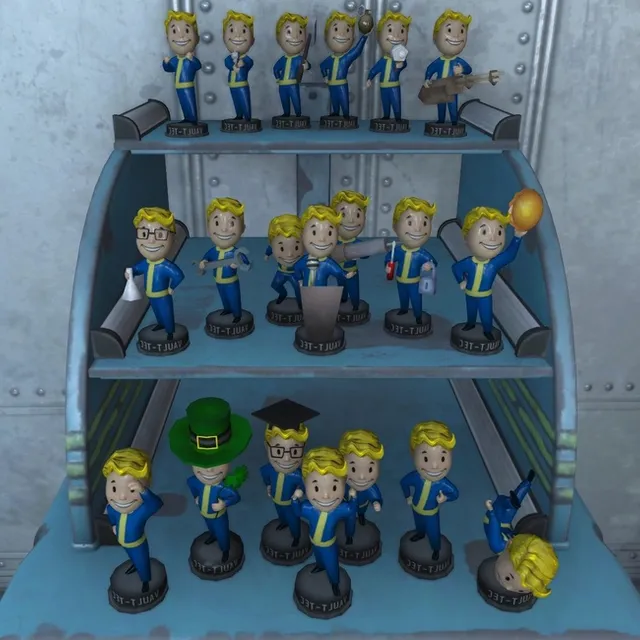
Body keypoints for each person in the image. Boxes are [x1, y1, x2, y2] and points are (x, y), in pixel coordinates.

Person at [168, 397, 252, 563]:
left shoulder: (222, 488)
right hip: (205, 513)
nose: (209, 470)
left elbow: (235, 497)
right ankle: (212, 536)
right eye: (200, 465)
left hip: (219, 515)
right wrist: (196, 497)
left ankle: (225, 550)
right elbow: (191, 485)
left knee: (222, 532)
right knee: (210, 527)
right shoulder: (195, 482)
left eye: (217, 464)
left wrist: (224, 504)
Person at [452, 206, 527, 340]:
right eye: (484, 232)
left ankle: (487, 331)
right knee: (471, 311)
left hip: (485, 296)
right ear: (467, 238)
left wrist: (517, 238)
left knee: (486, 314)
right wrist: (461, 280)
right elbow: (456, 268)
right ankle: (470, 324)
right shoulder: (468, 263)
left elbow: (509, 255)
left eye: (499, 232)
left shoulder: (494, 264)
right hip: (469, 293)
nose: (492, 239)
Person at [292, 447, 357, 596]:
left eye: (334, 487)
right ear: (305, 484)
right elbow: (297, 512)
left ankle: (334, 583)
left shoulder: (338, 509)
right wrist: (295, 499)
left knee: (332, 563)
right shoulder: (308, 508)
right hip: (314, 541)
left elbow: (350, 510)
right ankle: (320, 566)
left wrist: (353, 498)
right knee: (319, 557)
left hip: (328, 545)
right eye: (316, 488)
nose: (326, 496)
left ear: (344, 483)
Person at [103, 448, 163, 593]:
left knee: (142, 561)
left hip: (137, 544)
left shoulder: (141, 511)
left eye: (131, 490)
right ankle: (135, 565)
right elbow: (111, 515)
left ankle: (145, 581)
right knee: (131, 557)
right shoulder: (112, 509)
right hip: (123, 542)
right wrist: (113, 525)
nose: (122, 497)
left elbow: (156, 504)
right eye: (114, 488)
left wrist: (143, 491)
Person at [400, 421, 459, 560]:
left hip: (431, 513)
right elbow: (404, 483)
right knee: (419, 525)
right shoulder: (415, 477)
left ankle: (436, 549)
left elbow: (455, 493)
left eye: (442, 458)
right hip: (416, 508)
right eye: (426, 458)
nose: (434, 465)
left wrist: (445, 498)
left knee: (433, 532)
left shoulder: (442, 483)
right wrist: (408, 496)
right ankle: (420, 534)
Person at [127, 207, 184, 340]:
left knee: (166, 312)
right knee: (157, 311)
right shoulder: (145, 263)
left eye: (159, 235)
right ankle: (161, 324)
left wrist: (171, 287)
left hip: (163, 295)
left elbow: (178, 275)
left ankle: (170, 331)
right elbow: (136, 270)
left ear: (172, 239)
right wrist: (130, 272)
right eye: (144, 234)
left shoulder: (165, 266)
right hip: (150, 295)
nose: (151, 241)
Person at [385, 197, 438, 323]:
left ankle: (418, 315)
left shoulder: (422, 254)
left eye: (424, 224)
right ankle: (403, 309)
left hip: (414, 282)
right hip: (400, 280)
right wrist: (387, 266)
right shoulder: (398, 250)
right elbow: (389, 258)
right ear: (395, 227)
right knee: (402, 296)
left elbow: (433, 262)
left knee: (416, 298)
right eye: (410, 223)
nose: (418, 230)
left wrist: (429, 265)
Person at [200, 197, 250, 322]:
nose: (223, 229)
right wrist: (203, 262)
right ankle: (227, 309)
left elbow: (247, 264)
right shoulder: (213, 251)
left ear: (242, 229)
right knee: (223, 296)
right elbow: (206, 257)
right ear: (208, 227)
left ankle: (237, 315)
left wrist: (239, 265)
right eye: (217, 223)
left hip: (231, 282)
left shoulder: (236, 253)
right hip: (218, 281)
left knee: (234, 298)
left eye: (231, 223)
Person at [423, 10, 473, 125]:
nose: (456, 36)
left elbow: (468, 69)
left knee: (452, 105)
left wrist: (462, 70)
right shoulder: (438, 62)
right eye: (449, 30)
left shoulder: (458, 61)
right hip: (440, 86)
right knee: (441, 105)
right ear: (435, 37)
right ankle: (440, 121)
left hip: (452, 87)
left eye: (461, 31)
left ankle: (454, 122)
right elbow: (430, 70)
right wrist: (427, 79)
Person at [338, 430, 384, 544]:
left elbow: (376, 497)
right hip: (348, 505)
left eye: (370, 469)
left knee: (361, 511)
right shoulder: (342, 483)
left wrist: (376, 503)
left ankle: (361, 515)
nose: (362, 477)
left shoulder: (370, 488)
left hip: (363, 505)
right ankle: (349, 536)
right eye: (353, 469)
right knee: (349, 520)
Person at [320, 11, 368, 118]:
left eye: (347, 30)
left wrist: (364, 37)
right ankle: (336, 112)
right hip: (332, 84)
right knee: (334, 100)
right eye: (336, 29)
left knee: (343, 99)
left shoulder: (346, 58)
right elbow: (322, 66)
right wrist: (325, 76)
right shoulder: (329, 59)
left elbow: (357, 51)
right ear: (326, 37)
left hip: (341, 84)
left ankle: (346, 114)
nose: (341, 35)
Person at [294, 205, 356, 287]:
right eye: (314, 233)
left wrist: (345, 274)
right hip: (306, 292)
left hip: (321, 293)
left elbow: (337, 271)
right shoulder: (304, 261)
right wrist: (299, 279)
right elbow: (296, 268)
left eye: (329, 233)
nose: (322, 239)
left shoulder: (327, 263)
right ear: (302, 235)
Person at [366, 11, 412, 121]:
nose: (396, 36)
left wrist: (400, 64)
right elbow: (374, 70)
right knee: (385, 102)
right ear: (379, 37)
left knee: (396, 101)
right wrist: (369, 78)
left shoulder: (398, 60)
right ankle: (386, 116)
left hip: (394, 86)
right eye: (390, 30)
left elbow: (403, 64)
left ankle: (397, 118)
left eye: (402, 31)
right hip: (383, 86)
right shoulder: (382, 61)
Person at [331, 190, 370, 310]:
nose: (351, 221)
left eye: (357, 215)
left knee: (353, 289)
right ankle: (342, 300)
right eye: (343, 215)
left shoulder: (357, 243)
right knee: (341, 288)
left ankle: (355, 306)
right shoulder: (333, 241)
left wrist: (360, 253)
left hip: (352, 271)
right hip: (339, 271)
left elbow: (366, 254)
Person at [163, 11, 202, 124]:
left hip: (187, 85)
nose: (181, 36)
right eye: (174, 31)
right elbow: (169, 68)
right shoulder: (175, 60)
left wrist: (191, 59)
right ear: (168, 39)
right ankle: (187, 118)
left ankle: (193, 119)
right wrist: (166, 63)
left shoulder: (190, 59)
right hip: (178, 86)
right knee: (183, 103)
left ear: (197, 38)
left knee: (189, 101)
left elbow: (198, 66)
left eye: (187, 31)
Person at [494, 533, 559, 599]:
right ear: (509, 544)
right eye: (507, 578)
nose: (508, 588)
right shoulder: (496, 543)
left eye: (521, 591)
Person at [273, 13, 311, 118]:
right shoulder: (282, 60)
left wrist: (306, 66)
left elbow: (308, 65)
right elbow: (275, 68)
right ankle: (286, 113)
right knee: (284, 99)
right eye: (289, 32)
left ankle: (298, 114)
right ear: (278, 39)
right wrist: (278, 78)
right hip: (282, 85)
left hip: (293, 84)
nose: (295, 37)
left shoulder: (299, 59)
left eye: (300, 32)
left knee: (295, 99)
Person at [222, 10, 256, 121]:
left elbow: (250, 64)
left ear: (252, 40)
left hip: (242, 84)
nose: (237, 35)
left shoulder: (246, 59)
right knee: (236, 100)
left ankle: (247, 117)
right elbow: (227, 63)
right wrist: (233, 66)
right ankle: (239, 115)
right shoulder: (229, 58)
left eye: (244, 31)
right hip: (232, 84)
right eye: (231, 30)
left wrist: (243, 64)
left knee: (244, 100)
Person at [264, 214, 304, 307]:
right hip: (281, 272)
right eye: (282, 248)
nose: (289, 254)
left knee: (299, 290)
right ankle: (283, 294)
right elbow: (270, 247)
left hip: (295, 274)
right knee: (275, 285)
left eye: (296, 248)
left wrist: (301, 278)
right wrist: (267, 254)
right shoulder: (272, 245)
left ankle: (301, 304)